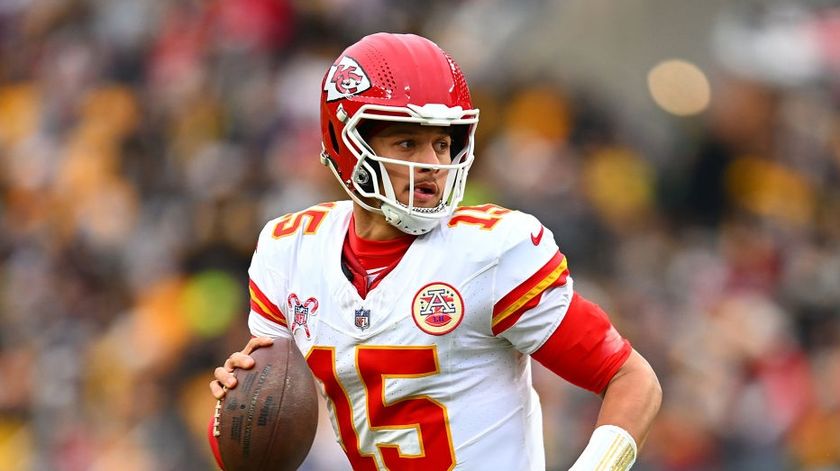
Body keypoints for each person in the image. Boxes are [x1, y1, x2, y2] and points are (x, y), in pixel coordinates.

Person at [208, 32, 661, 470]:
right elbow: (262, 429)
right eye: (408, 142)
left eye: (443, 143)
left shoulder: (492, 251)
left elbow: (631, 379)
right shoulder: (290, 251)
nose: (433, 164)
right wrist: (236, 399)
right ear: (348, 144)